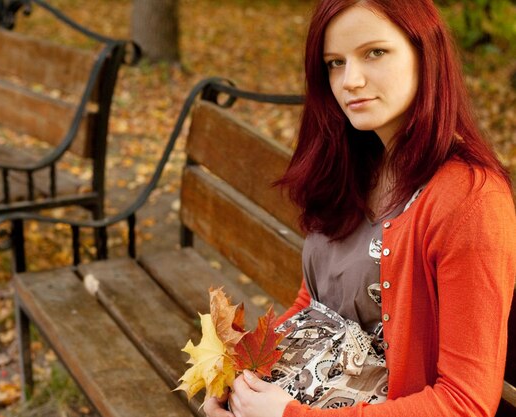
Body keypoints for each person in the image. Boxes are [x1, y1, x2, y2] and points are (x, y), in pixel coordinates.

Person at [204, 0, 516, 416]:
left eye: (375, 52)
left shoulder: (470, 200)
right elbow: (314, 305)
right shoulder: (357, 163)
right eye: (334, 62)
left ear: (427, 54)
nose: (350, 80)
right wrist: (239, 375)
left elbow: (465, 403)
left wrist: (290, 415)